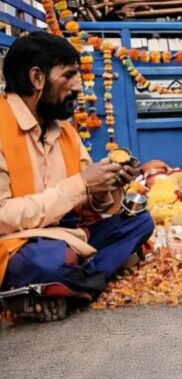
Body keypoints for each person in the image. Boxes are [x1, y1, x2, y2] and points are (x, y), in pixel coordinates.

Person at [0, 32, 154, 306]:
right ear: (37, 78)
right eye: (69, 76)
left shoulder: (66, 132)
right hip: (21, 244)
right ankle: (78, 278)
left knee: (140, 222)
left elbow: (88, 211)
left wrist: (106, 187)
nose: (78, 87)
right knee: (44, 260)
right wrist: (81, 185)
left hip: (70, 237)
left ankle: (62, 287)